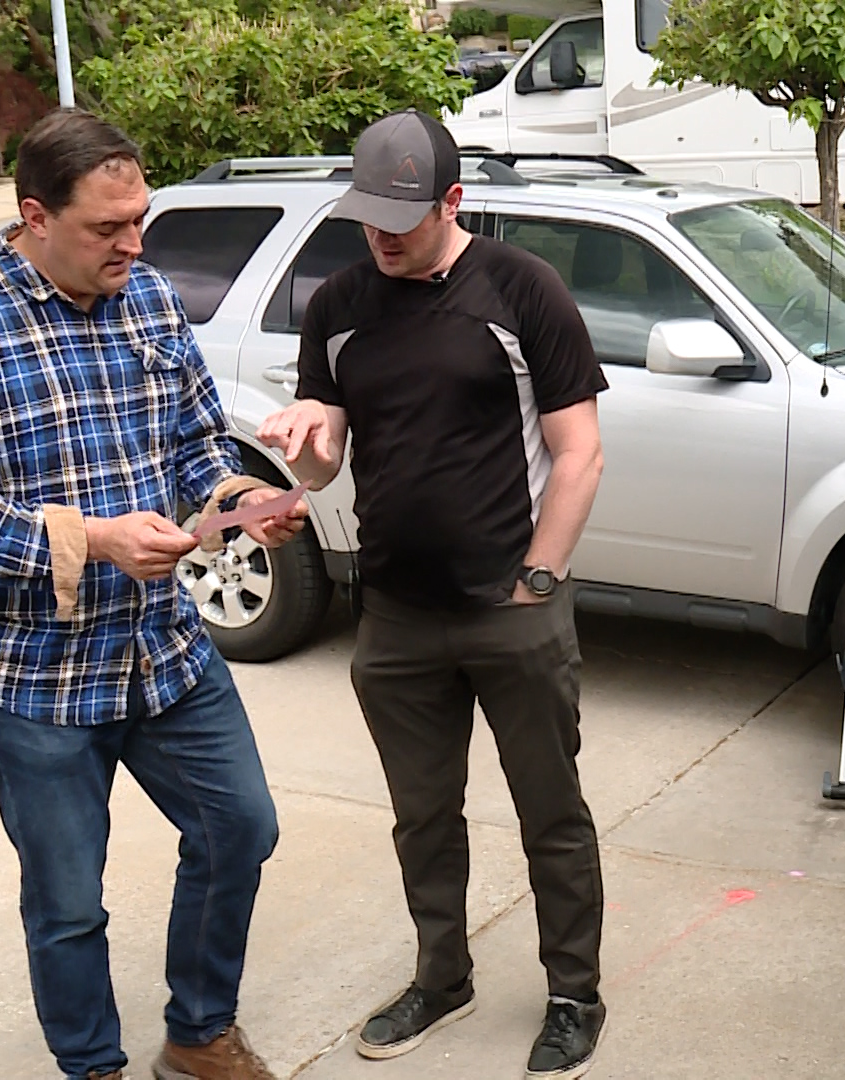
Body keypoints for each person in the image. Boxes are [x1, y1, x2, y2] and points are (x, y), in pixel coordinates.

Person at [0, 108, 308, 1080]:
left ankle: (198, 1035)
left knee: (240, 828)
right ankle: (94, 1067)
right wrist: (95, 540)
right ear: (34, 217)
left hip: (161, 650)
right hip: (28, 677)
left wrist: (237, 501)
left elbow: (194, 441)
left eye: (140, 219)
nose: (134, 244)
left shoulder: (149, 299)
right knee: (70, 899)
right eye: (107, 227)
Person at [256, 108, 610, 1079]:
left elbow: (580, 454)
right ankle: (442, 977)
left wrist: (539, 578)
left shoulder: (521, 288)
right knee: (422, 817)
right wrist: (303, 444)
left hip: (511, 609)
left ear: (452, 202)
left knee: (551, 814)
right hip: (397, 618)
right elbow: (328, 461)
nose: (380, 236)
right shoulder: (338, 303)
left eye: (399, 219)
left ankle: (573, 994)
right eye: (366, 217)